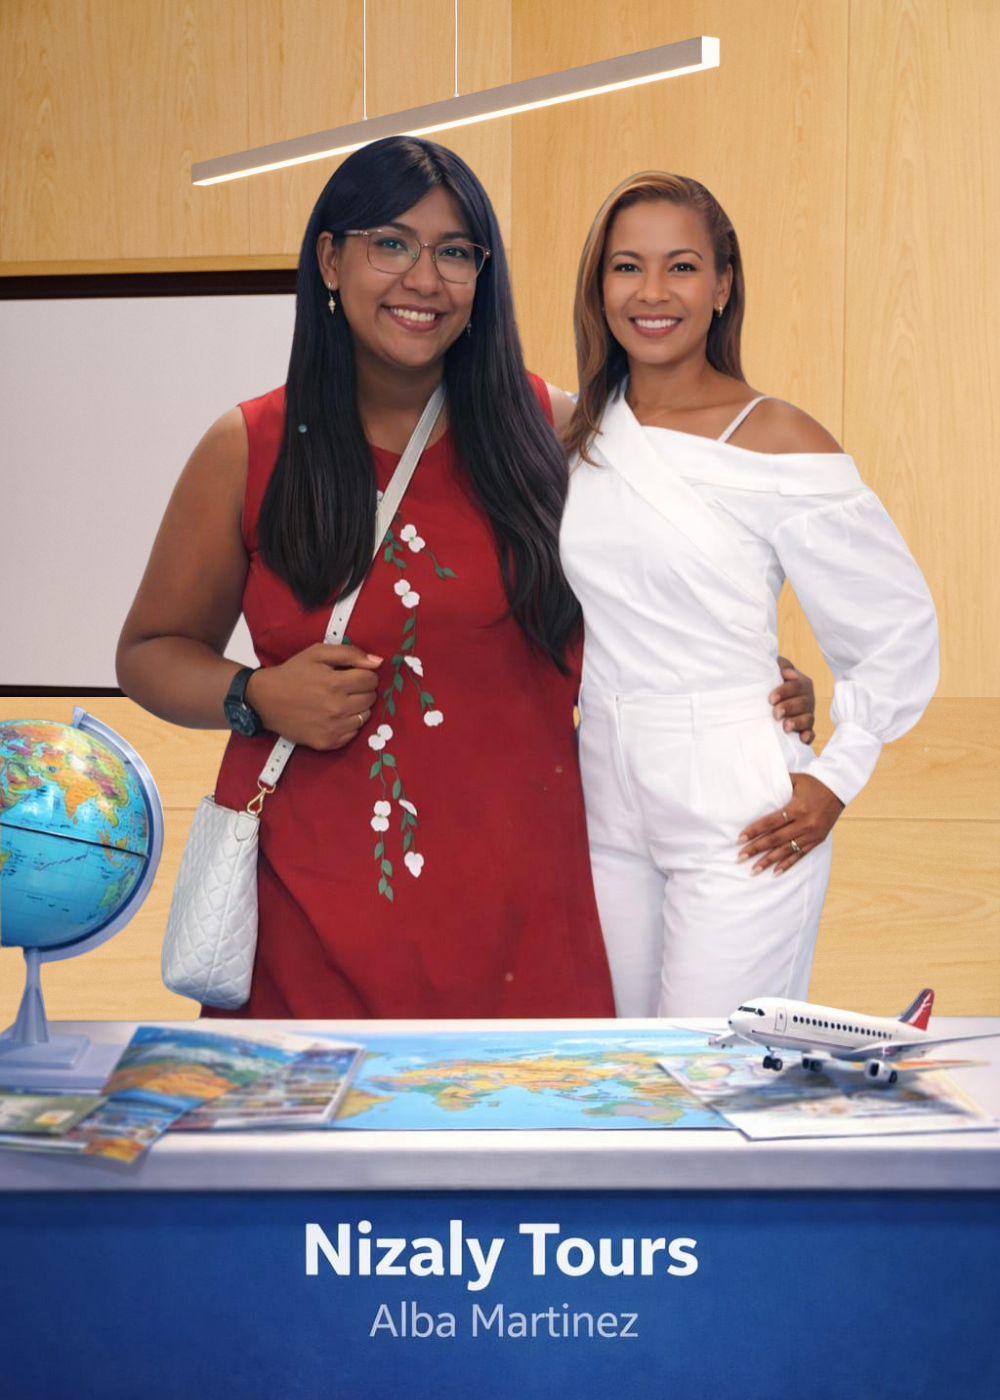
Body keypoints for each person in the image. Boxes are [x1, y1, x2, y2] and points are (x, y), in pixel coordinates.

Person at [117, 138, 816, 1020]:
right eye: (391, 244)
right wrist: (254, 695)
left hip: (527, 911)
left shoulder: (558, 433)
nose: (425, 279)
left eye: (455, 252)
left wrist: (754, 684)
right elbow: (150, 651)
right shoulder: (248, 446)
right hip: (309, 919)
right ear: (330, 259)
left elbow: (668, 603)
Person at [557, 172, 938, 1018]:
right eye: (627, 266)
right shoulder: (578, 432)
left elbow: (897, 628)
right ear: (599, 285)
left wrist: (837, 776)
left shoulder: (780, 439)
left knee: (712, 1068)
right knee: (623, 1066)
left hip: (737, 797)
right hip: (601, 789)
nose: (653, 293)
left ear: (723, 285)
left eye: (682, 266)